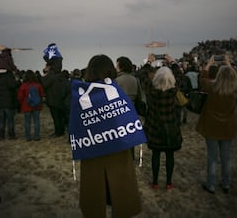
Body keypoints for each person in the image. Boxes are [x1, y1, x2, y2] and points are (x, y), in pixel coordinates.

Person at [78, 54, 142, 218]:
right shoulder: (118, 93)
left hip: (93, 151)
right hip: (118, 151)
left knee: (96, 197)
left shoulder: (82, 97)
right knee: (119, 195)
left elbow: (77, 128)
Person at [196, 55, 237, 194]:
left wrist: (209, 63)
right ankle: (226, 184)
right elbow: (236, 78)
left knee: (212, 157)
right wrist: (229, 64)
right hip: (228, 126)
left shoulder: (212, 86)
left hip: (211, 126)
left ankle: (211, 185)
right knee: (226, 157)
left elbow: (202, 77)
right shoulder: (236, 88)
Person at [140, 54, 182, 191]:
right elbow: (180, 76)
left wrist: (149, 62)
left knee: (155, 155)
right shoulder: (173, 90)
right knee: (170, 156)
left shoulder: (151, 90)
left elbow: (142, 75)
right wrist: (172, 61)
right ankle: (169, 183)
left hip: (154, 128)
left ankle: (155, 182)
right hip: (171, 128)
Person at [115, 56, 139, 160]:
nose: (115, 67)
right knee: (131, 135)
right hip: (132, 110)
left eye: (117, 64)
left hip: (120, 112)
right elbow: (139, 96)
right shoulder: (135, 79)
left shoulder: (116, 80)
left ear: (121, 66)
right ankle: (131, 157)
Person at [0, 59, 19, 141]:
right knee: (10, 120)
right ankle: (11, 135)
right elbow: (12, 86)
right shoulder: (8, 76)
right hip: (9, 101)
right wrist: (18, 81)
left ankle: (1, 136)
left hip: (0, 102)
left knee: (1, 121)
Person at [17, 70, 45, 141]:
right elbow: (42, 95)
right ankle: (37, 136)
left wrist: (21, 103)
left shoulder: (24, 85)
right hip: (37, 105)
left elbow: (20, 97)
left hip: (26, 105)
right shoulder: (38, 85)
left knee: (27, 122)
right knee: (36, 121)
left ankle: (28, 137)